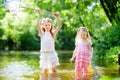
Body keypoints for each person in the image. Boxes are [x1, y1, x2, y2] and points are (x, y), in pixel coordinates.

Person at [36, 9, 61, 74]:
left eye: (49, 25)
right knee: (45, 71)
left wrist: (57, 17)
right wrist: (39, 14)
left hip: (52, 53)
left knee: (54, 70)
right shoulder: (42, 34)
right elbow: (37, 25)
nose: (47, 26)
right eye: (46, 25)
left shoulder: (53, 33)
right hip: (44, 54)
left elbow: (59, 26)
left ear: (51, 26)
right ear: (43, 26)